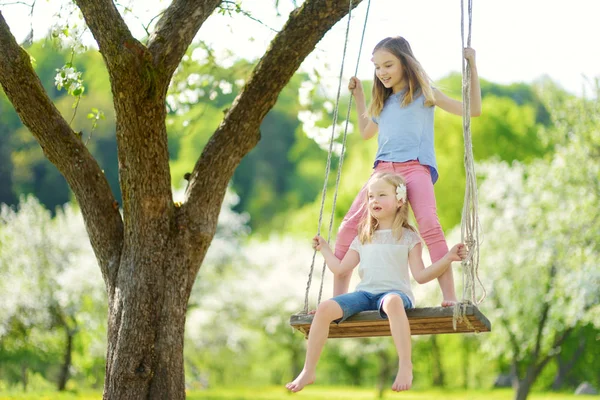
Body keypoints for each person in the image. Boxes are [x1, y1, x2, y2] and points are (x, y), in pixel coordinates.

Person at [332, 36, 481, 306]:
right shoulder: (383, 101)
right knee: (347, 228)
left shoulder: (425, 94)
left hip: (415, 168)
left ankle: (450, 298)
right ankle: (337, 302)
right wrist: (360, 97)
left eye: (388, 65)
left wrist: (471, 65)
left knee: (430, 227)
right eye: (377, 67)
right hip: (382, 173)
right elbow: (366, 132)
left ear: (404, 62)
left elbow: (473, 110)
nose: (382, 72)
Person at [286, 172, 467, 393]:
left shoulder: (410, 238)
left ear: (400, 200)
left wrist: (447, 258)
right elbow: (341, 269)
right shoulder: (363, 237)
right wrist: (325, 248)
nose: (374, 200)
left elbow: (420, 276)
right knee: (324, 308)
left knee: (391, 301)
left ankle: (405, 364)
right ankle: (308, 370)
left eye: (382, 195)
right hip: (365, 295)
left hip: (395, 295)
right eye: (371, 196)